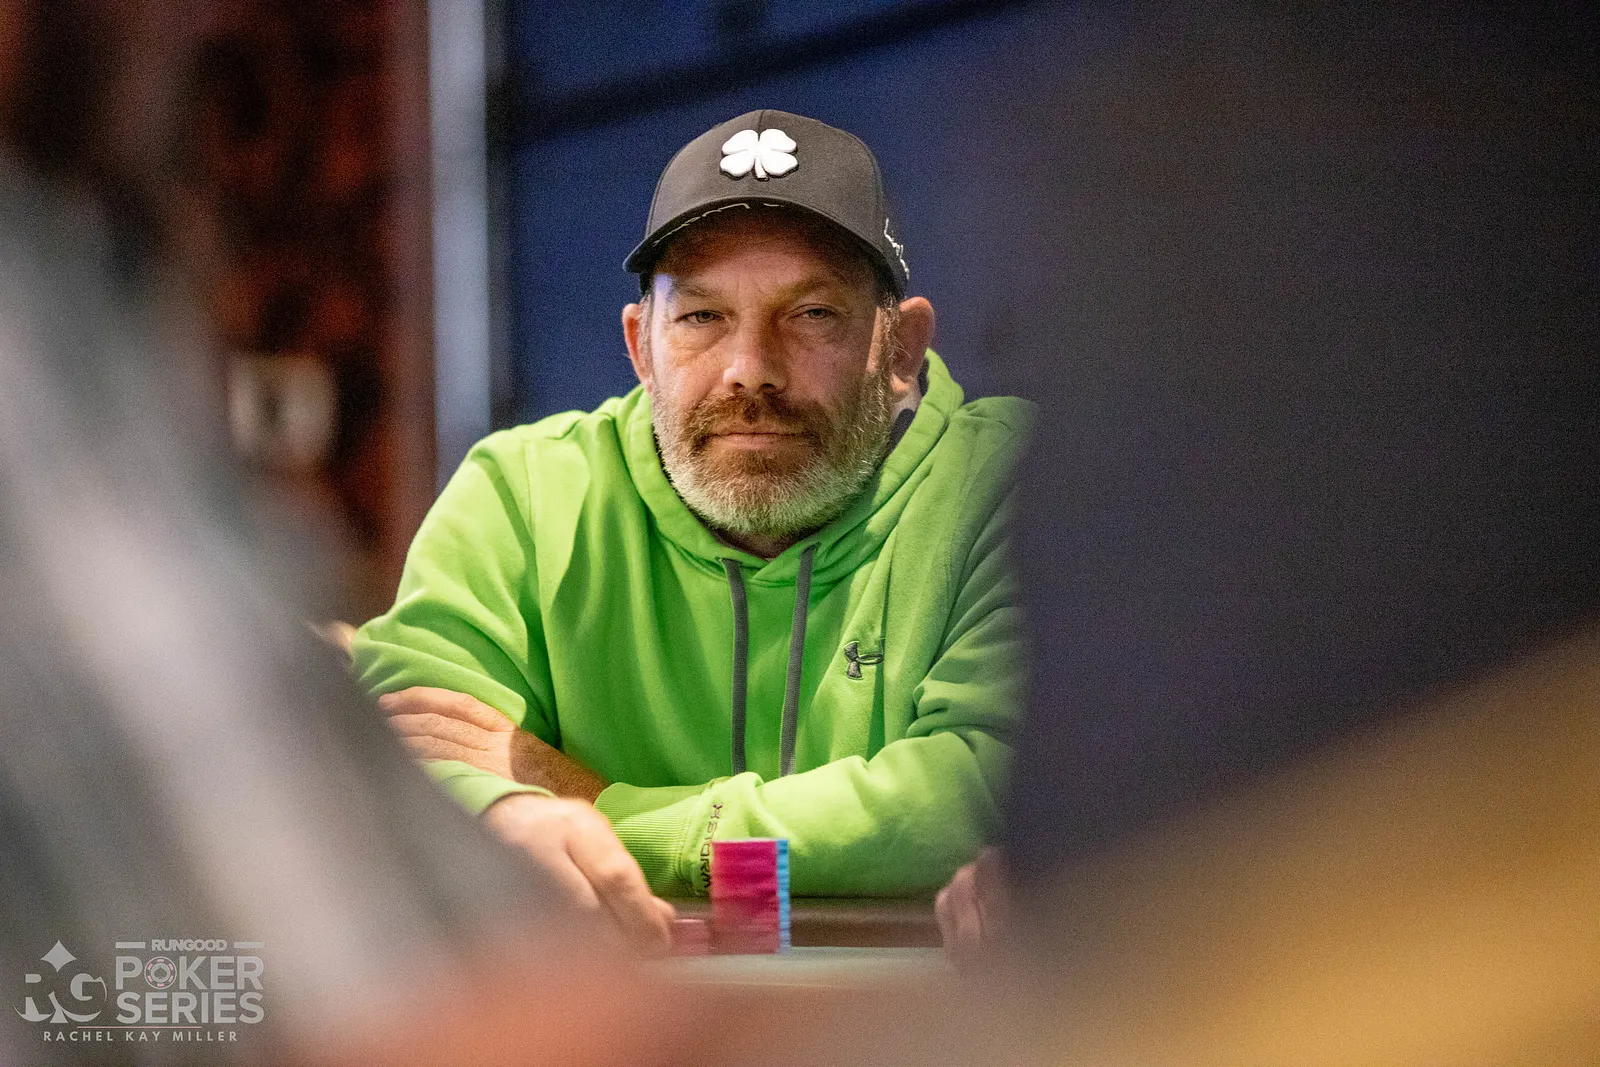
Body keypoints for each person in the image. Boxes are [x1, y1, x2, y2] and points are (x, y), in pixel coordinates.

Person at [351, 109, 1030, 902]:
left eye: (812, 315)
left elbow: (989, 790)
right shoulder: (522, 498)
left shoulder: (1013, 482)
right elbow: (397, 771)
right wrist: (506, 810)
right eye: (703, 316)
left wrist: (596, 808)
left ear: (901, 348)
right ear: (641, 347)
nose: (751, 368)